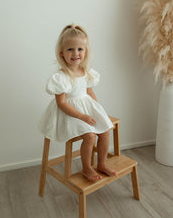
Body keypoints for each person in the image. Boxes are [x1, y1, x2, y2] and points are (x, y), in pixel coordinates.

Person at [39, 23, 117, 181]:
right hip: (69, 112)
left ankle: (101, 163)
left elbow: (89, 92)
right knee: (89, 136)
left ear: (85, 51)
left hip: (85, 108)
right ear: (61, 53)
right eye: (70, 49)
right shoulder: (61, 77)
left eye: (80, 49)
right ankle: (86, 168)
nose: (75, 53)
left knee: (105, 130)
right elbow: (61, 103)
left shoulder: (86, 72)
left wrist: (96, 109)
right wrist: (82, 116)